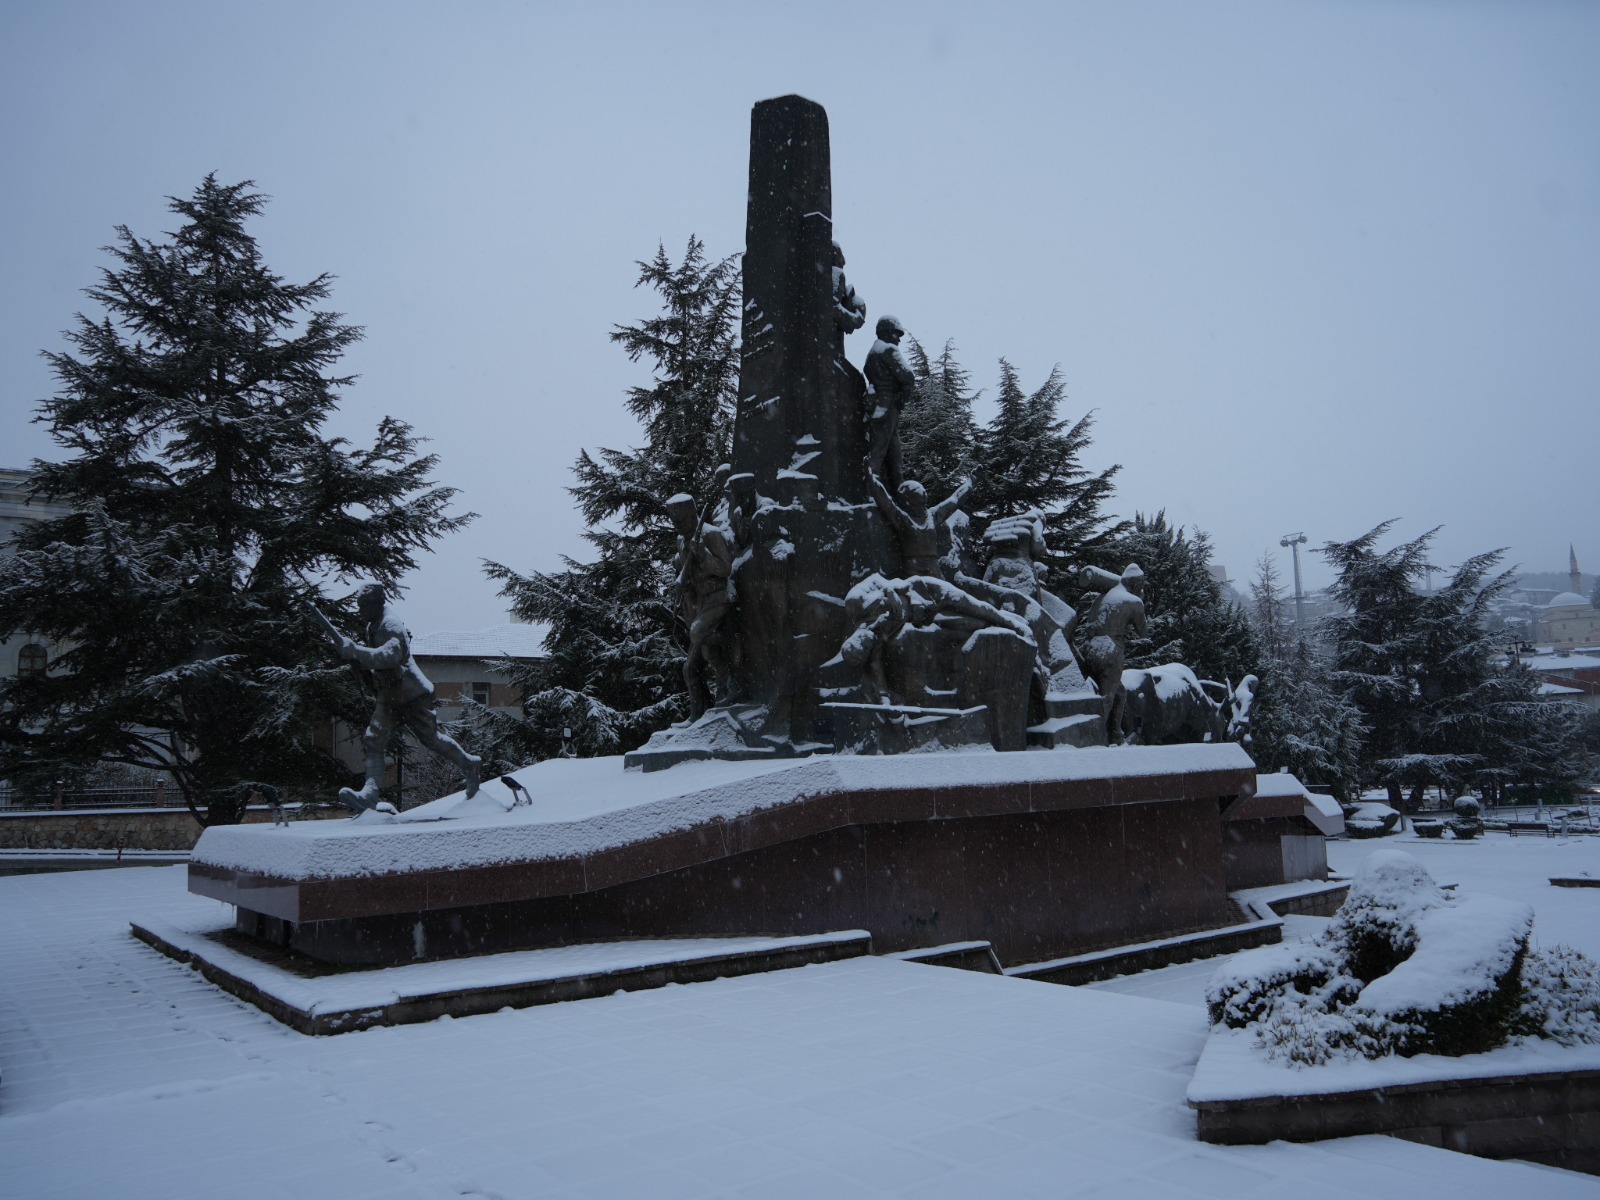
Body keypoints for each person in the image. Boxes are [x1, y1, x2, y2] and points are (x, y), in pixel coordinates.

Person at [333, 584, 480, 811]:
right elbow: (374, 663)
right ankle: (370, 793)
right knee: (374, 739)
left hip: (412, 695)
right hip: (389, 695)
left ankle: (469, 764)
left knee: (432, 740)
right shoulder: (372, 625)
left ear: (377, 603)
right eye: (359, 606)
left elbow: (391, 656)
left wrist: (357, 652)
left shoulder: (391, 625)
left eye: (364, 606)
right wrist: (356, 659)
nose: (360, 611)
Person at [666, 493, 734, 720]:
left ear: (692, 516)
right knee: (689, 669)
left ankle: (732, 682)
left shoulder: (711, 535)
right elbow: (683, 567)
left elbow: (725, 569)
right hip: (699, 604)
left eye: (681, 521)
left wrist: (703, 553)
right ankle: (697, 716)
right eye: (674, 523)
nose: (678, 527)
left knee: (697, 633)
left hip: (719, 597)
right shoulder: (682, 540)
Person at [1076, 564, 1150, 742]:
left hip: (1089, 648)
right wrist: (1140, 603)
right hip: (1111, 650)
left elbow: (1090, 623)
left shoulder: (1103, 596)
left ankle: (1116, 733)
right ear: (1136, 584)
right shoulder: (1133, 601)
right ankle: (1095, 736)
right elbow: (1144, 632)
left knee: (1119, 693)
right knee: (1107, 697)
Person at [867, 468, 971, 578]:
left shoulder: (931, 516)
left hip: (934, 571)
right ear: (907, 500)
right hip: (912, 573)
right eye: (918, 500)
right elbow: (884, 500)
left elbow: (954, 500)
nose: (921, 506)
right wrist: (870, 478)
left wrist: (970, 482)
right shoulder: (902, 519)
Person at [863, 315, 915, 490]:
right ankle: (873, 491)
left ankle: (891, 491)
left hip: (878, 406)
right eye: (895, 334)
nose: (898, 339)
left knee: (889, 453)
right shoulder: (887, 350)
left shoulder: (872, 354)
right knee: (883, 454)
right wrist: (904, 394)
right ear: (885, 332)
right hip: (888, 404)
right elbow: (907, 376)